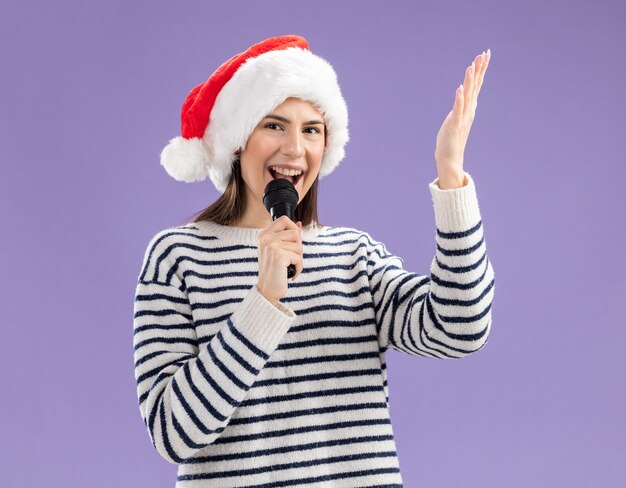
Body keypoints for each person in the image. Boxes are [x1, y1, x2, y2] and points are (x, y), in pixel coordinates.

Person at [133, 35, 495, 487]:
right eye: (273, 125)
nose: (294, 149)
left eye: (311, 129)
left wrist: (450, 173)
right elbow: (174, 434)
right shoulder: (177, 257)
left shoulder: (352, 257)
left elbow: (460, 327)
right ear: (238, 141)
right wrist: (262, 303)